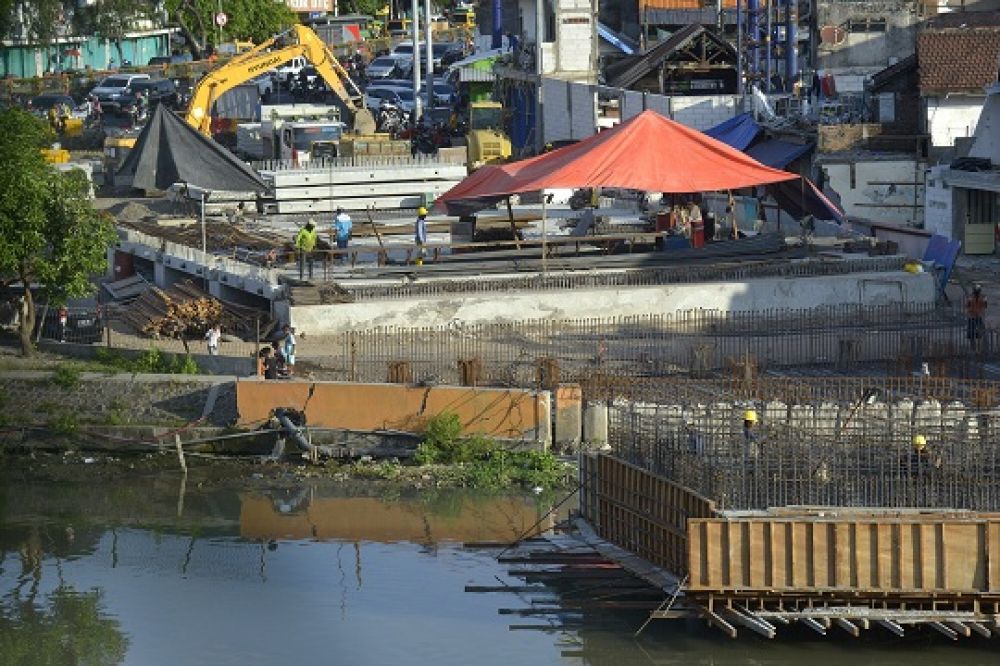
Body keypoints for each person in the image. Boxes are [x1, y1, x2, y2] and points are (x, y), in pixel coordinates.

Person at [966, 284, 987, 349]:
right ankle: (974, 346)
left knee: (981, 331)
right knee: (972, 332)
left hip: (976, 316)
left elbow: (984, 306)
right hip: (973, 316)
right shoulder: (972, 297)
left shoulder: (973, 297)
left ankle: (978, 346)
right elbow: (968, 306)